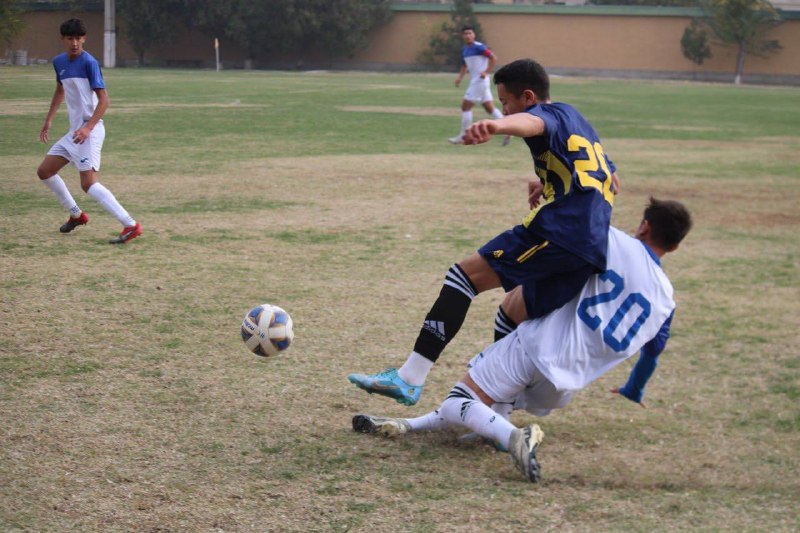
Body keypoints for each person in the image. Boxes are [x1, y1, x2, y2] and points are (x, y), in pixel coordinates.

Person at [352, 198, 694, 483]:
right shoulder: (666, 301)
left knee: (461, 401)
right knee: (479, 401)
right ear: (675, 246)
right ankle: (408, 426)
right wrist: (634, 390)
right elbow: (651, 356)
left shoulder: (613, 241)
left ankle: (514, 436)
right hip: (563, 386)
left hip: (537, 348)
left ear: (645, 226)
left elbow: (567, 235)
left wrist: (546, 199)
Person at [349, 59, 620, 406]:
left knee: (463, 278)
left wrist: (495, 124)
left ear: (528, 95)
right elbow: (611, 179)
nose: (503, 106)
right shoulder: (575, 118)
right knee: (514, 312)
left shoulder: (542, 115)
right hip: (592, 248)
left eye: (505, 100)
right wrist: (550, 181)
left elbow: (531, 121)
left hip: (562, 233)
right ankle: (494, 409)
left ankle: (409, 377)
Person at [37, 18, 142, 244]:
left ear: (83, 38)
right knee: (45, 171)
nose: (74, 43)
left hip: (90, 131)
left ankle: (130, 225)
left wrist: (88, 127)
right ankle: (76, 214)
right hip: (75, 133)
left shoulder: (89, 63)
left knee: (89, 183)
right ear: (63, 39)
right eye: (70, 38)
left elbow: (104, 101)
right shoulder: (59, 62)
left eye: (78, 38)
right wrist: (49, 121)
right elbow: (60, 90)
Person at [448, 26, 509, 146]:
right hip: (475, 81)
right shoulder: (465, 50)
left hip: (480, 81)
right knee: (489, 108)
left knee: (465, 107)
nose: (467, 35)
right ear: (462, 36)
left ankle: (463, 136)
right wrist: (459, 78)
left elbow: (493, 58)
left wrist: (486, 72)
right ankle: (508, 130)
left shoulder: (479, 47)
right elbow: (464, 66)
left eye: (469, 33)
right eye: (465, 33)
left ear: (474, 35)